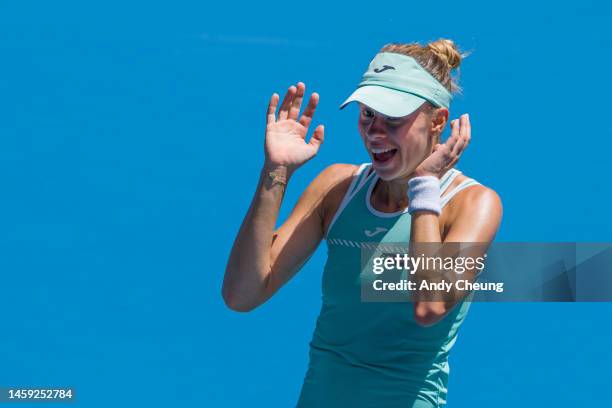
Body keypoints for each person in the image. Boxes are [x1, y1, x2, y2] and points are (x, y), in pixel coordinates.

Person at [222, 38, 503, 407]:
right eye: (368, 114)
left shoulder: (473, 203)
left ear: (438, 122)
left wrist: (424, 188)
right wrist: (275, 173)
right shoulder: (337, 188)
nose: (375, 131)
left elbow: (429, 306)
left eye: (394, 119)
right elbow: (243, 294)